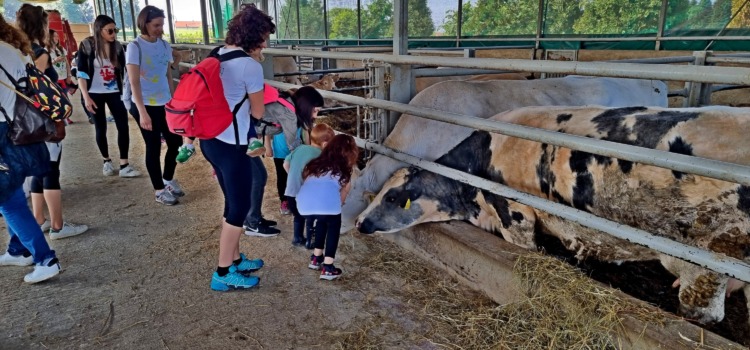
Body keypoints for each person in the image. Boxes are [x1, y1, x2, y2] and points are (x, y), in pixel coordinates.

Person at [200, 4, 275, 291]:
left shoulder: (217, 53)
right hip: (232, 145)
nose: (265, 43)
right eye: (264, 37)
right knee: (240, 206)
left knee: (233, 201)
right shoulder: (250, 65)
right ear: (253, 37)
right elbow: (257, 112)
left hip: (210, 140)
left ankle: (233, 259)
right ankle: (222, 272)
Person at [17, 4, 89, 240]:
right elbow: (35, 90)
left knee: (39, 170)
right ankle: (58, 226)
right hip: (44, 122)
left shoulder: (17, 50)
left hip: (26, 123)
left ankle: (39, 219)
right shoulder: (40, 53)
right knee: (51, 171)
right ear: (42, 26)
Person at [0, 13, 61, 283]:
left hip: (1, 129)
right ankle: (18, 249)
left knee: (8, 200)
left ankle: (45, 259)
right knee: (11, 191)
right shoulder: (14, 48)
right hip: (19, 127)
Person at [126, 6, 184, 205]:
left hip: (165, 102)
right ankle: (159, 190)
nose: (160, 29)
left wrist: (173, 99)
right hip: (145, 104)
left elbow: (168, 73)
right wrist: (142, 112)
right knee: (153, 146)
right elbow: (134, 81)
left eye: (162, 25)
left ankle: (167, 179)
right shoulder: (135, 46)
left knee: (175, 142)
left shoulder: (164, 45)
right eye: (156, 25)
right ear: (145, 24)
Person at [77, 15, 140, 178]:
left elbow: (127, 68)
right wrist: (85, 97)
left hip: (114, 93)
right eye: (110, 31)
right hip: (94, 93)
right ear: (99, 30)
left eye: (115, 30)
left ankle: (124, 164)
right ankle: (106, 161)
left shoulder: (118, 47)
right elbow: (82, 72)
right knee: (100, 127)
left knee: (123, 126)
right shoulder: (86, 45)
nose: (114, 34)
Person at [297, 134, 359, 280]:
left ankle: (316, 258)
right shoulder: (344, 169)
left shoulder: (315, 163)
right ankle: (328, 267)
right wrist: (339, 204)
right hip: (327, 206)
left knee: (322, 221)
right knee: (333, 225)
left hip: (304, 204)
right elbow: (344, 191)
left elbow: (306, 180)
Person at [266, 86, 324, 217]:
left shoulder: (295, 114)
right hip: (279, 150)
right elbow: (293, 144)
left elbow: (302, 136)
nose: (315, 115)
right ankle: (285, 201)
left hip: (291, 150)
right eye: (315, 111)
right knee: (281, 177)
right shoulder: (289, 115)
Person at [284, 123, 334, 248]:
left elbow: (285, 164)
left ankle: (297, 238)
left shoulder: (300, 148)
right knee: (310, 216)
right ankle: (309, 242)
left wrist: (293, 176)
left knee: (298, 216)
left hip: (290, 191)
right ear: (325, 144)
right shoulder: (321, 156)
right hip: (304, 195)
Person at [46, 29, 74, 124]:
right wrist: (54, 61)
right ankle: (59, 117)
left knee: (65, 97)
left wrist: (69, 75)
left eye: (57, 36)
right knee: (57, 99)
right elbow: (45, 65)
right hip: (54, 78)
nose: (57, 38)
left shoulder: (61, 49)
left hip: (63, 77)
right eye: (54, 36)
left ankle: (66, 115)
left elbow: (66, 63)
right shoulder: (46, 50)